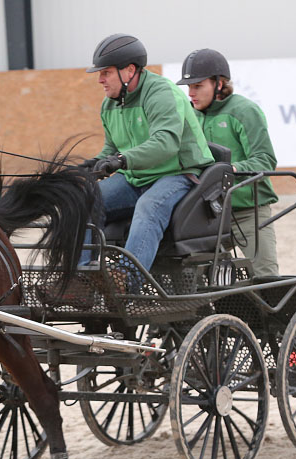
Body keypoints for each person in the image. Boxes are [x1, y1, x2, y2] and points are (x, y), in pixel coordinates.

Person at [81, 33, 214, 282]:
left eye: (106, 72)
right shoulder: (109, 104)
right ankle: (81, 278)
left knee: (149, 206)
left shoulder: (161, 92)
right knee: (86, 199)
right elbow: (112, 148)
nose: (100, 79)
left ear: (129, 70)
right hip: (136, 176)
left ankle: (124, 280)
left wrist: (121, 160)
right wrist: (92, 165)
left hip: (177, 173)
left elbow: (166, 144)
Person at [177, 48, 280, 277]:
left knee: (265, 276)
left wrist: (231, 170)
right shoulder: (190, 115)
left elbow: (265, 159)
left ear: (219, 84)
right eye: (188, 87)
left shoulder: (245, 111)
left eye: (197, 86)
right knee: (197, 280)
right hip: (209, 215)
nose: (191, 93)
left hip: (249, 211)